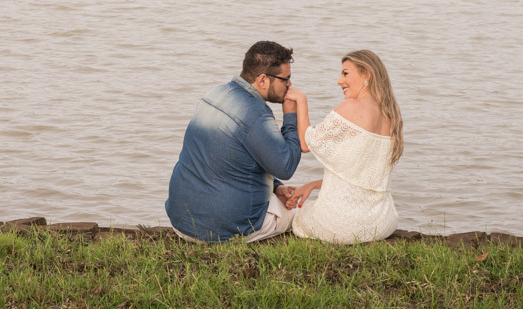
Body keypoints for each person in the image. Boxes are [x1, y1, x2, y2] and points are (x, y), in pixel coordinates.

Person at [166, 40, 303, 242]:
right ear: (263, 79)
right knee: (301, 214)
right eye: (286, 79)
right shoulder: (256, 114)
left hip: (181, 221)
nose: (290, 84)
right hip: (223, 229)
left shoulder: (213, 94)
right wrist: (291, 116)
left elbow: (227, 157)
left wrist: (275, 186)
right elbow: (286, 166)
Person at [284, 50, 402, 244]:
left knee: (295, 215)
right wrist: (313, 185)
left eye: (345, 73)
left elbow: (305, 143)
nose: (339, 81)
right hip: (382, 222)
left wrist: (301, 100)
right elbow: (359, 175)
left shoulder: (351, 107)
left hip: (341, 226)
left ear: (367, 74)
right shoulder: (391, 117)